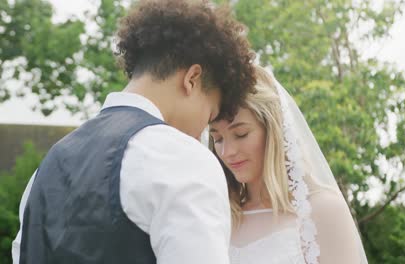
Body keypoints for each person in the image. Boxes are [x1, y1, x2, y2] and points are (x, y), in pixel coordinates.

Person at [12, 0, 256, 263]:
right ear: (192, 79)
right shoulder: (182, 159)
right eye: (208, 115)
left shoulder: (48, 166)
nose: (201, 132)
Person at [208, 65, 368, 264]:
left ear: (273, 131)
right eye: (218, 139)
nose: (227, 152)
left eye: (241, 134)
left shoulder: (323, 209)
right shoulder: (220, 216)